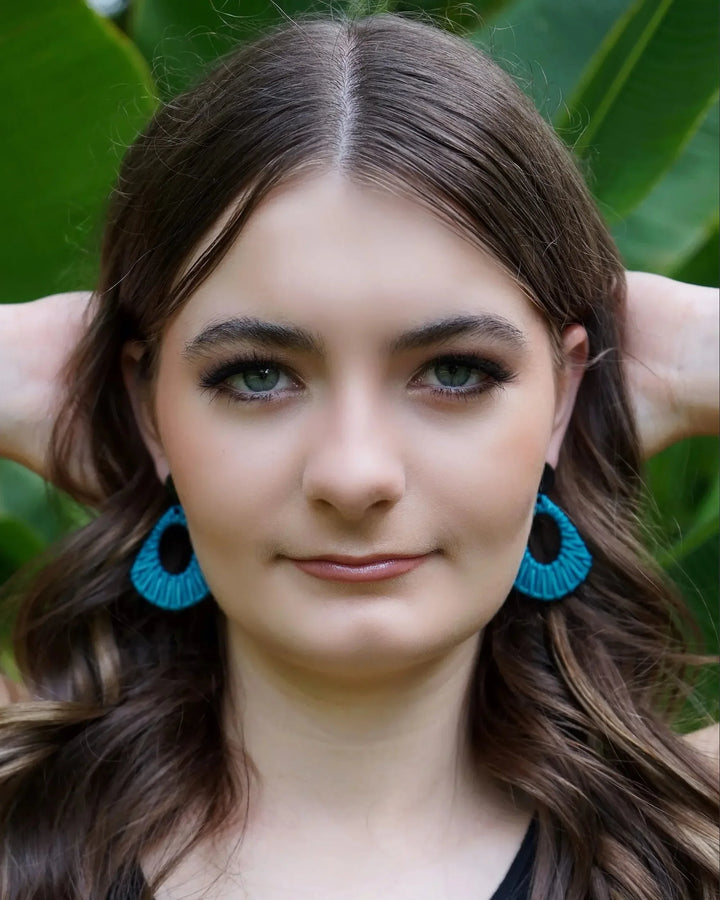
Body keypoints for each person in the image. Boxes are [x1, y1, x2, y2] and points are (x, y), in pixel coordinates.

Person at [0, 11, 717, 900]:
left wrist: (693, 356)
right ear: (151, 406)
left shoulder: (686, 855)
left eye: (454, 372)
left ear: (562, 393)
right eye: (257, 376)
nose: (354, 476)